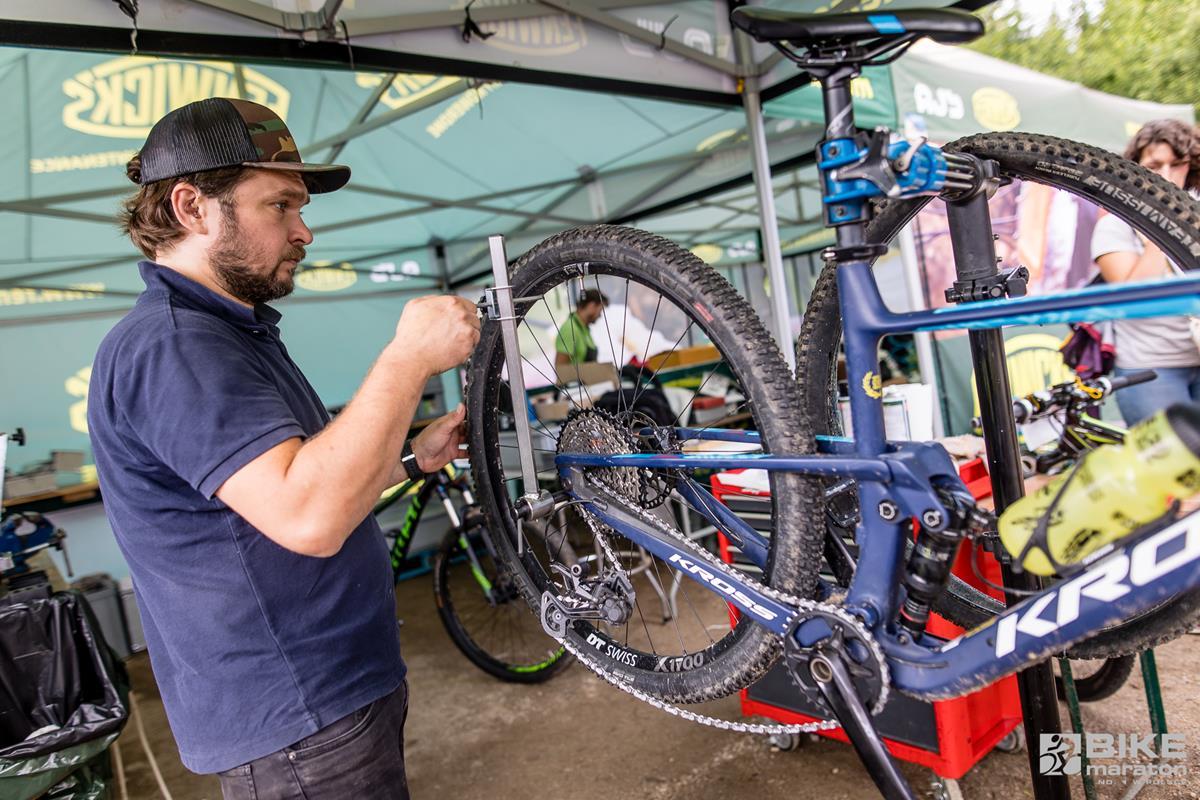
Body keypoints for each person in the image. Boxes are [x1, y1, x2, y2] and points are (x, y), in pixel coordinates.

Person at [87, 98, 480, 799]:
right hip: (296, 719)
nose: (304, 231)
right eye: (280, 205)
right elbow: (308, 515)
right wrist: (408, 358)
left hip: (330, 694)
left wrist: (410, 458)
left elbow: (284, 482)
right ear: (191, 207)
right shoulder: (175, 345)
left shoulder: (231, 330)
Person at [1091, 119, 1200, 425]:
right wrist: (1160, 229)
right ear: (1135, 168)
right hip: (1152, 369)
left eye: (1176, 164)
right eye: (1154, 166)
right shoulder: (1114, 225)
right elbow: (1134, 300)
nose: (1166, 175)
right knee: (1169, 455)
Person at [554, 288, 607, 366]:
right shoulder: (570, 329)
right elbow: (560, 367)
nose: (600, 315)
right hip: (577, 375)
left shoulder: (584, 329)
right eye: (600, 310)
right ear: (592, 306)